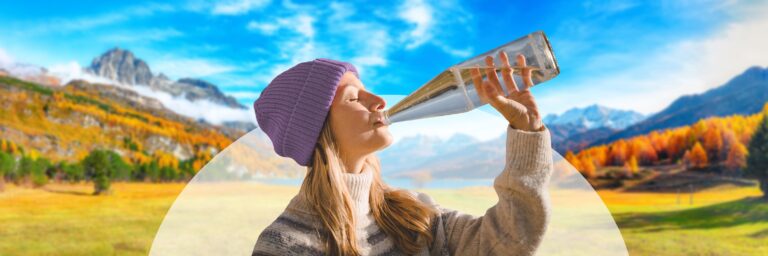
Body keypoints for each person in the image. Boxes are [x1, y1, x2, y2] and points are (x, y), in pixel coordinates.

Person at [251, 52, 553, 256]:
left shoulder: (414, 212)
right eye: (354, 98)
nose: (379, 101)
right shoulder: (284, 244)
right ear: (315, 130)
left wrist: (526, 130)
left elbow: (508, 240)